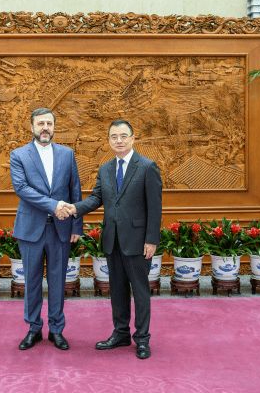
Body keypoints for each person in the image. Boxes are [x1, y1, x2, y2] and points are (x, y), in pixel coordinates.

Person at [62, 119, 162, 359]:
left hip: (138, 242)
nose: (119, 140)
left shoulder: (147, 167)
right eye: (114, 137)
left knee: (140, 291)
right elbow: (96, 198)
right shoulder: (106, 169)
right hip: (112, 240)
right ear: (108, 140)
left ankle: (142, 339)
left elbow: (155, 207)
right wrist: (74, 208)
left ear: (133, 138)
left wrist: (151, 240)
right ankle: (121, 333)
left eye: (123, 136)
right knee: (117, 290)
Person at [10, 107, 83, 351]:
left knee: (57, 281)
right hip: (31, 229)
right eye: (40, 123)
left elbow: (75, 190)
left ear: (54, 127)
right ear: (31, 127)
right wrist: (54, 205)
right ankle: (33, 328)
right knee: (31, 281)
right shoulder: (19, 155)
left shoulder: (67, 154)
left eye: (49, 124)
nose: (45, 128)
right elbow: (22, 189)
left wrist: (76, 225)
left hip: (60, 230)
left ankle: (56, 330)